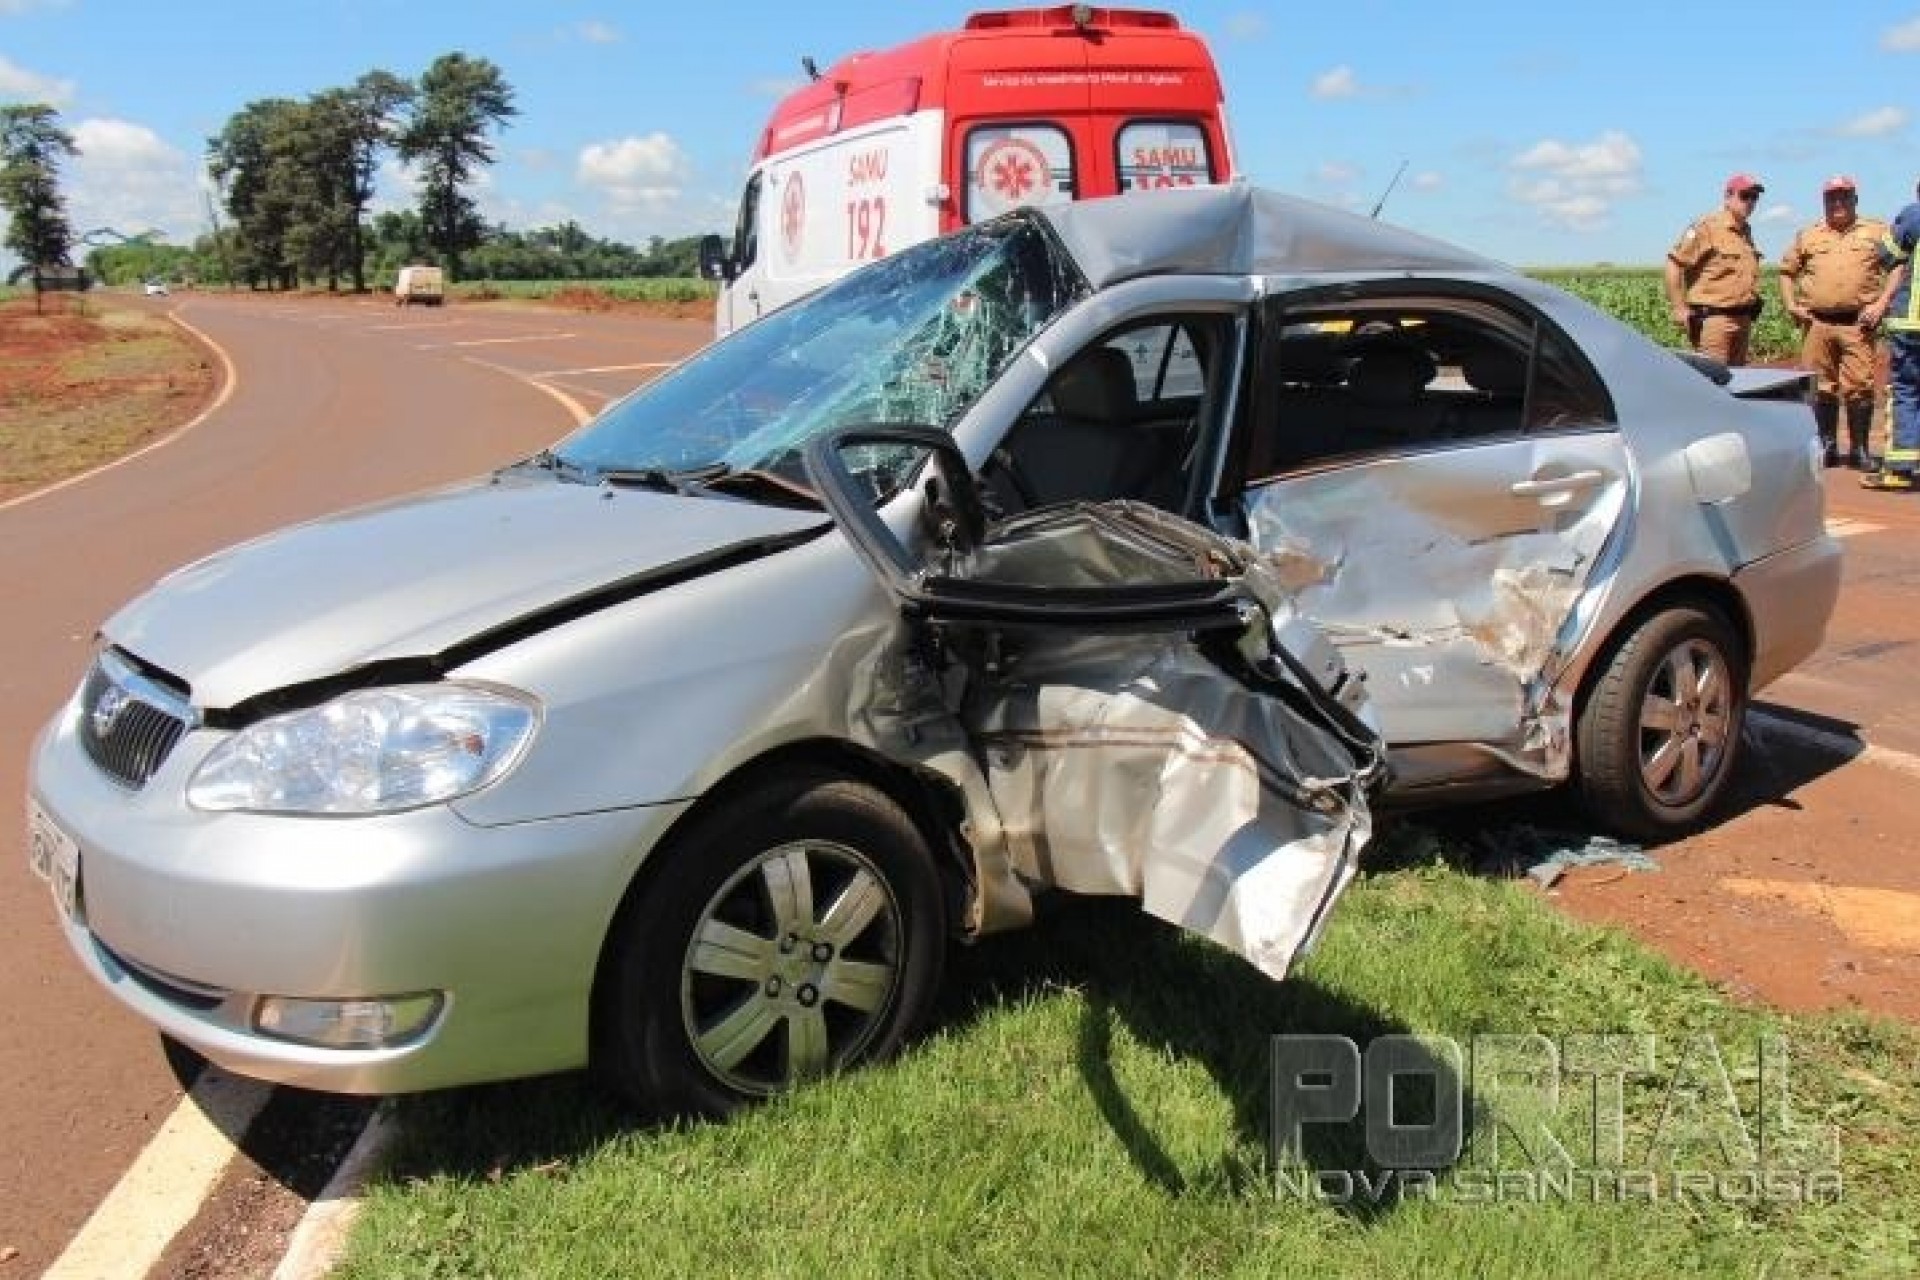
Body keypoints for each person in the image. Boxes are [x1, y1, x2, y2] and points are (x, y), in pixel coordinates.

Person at [1778, 176, 1894, 468]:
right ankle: (1827, 446)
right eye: (1832, 198)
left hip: (1859, 324)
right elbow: (1786, 271)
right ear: (1824, 202)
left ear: (1855, 199)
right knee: (1821, 387)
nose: (1837, 203)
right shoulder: (1810, 235)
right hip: (1817, 324)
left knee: (1859, 386)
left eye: (1844, 197)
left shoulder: (1877, 232)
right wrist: (1792, 305)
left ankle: (1859, 450)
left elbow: (1897, 267)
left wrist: (1881, 304)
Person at [1665, 173, 1766, 365]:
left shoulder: (1745, 231)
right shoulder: (1707, 227)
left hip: (1743, 319)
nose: (1750, 202)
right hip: (1714, 322)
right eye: (1745, 196)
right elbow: (1674, 264)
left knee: (1738, 386)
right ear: (1728, 197)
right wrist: (1679, 308)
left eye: (1755, 197)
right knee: (1714, 382)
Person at [1866, 183, 1920, 491]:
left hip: (1912, 325)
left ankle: (1899, 468)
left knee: (1905, 391)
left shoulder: (1914, 216)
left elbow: (1887, 254)